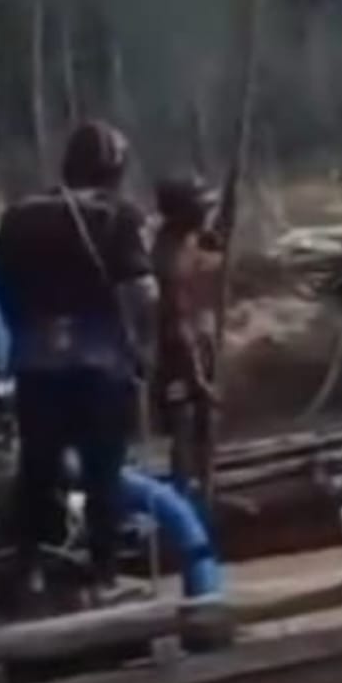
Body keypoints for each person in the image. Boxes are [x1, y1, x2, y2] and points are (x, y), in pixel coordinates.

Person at [0, 121, 157, 599]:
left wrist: (24, 327)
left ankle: (31, 568)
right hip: (100, 365)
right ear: (114, 170)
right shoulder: (117, 216)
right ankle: (104, 575)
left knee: (38, 467)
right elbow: (141, 290)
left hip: (36, 362)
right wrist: (142, 344)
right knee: (103, 470)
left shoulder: (19, 216)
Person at [151, 175, 225, 495]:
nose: (208, 212)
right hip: (179, 354)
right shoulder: (168, 258)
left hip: (200, 344)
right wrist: (197, 378)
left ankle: (204, 486)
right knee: (185, 425)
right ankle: (187, 494)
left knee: (206, 427)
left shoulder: (193, 240)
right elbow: (177, 323)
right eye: (202, 208)